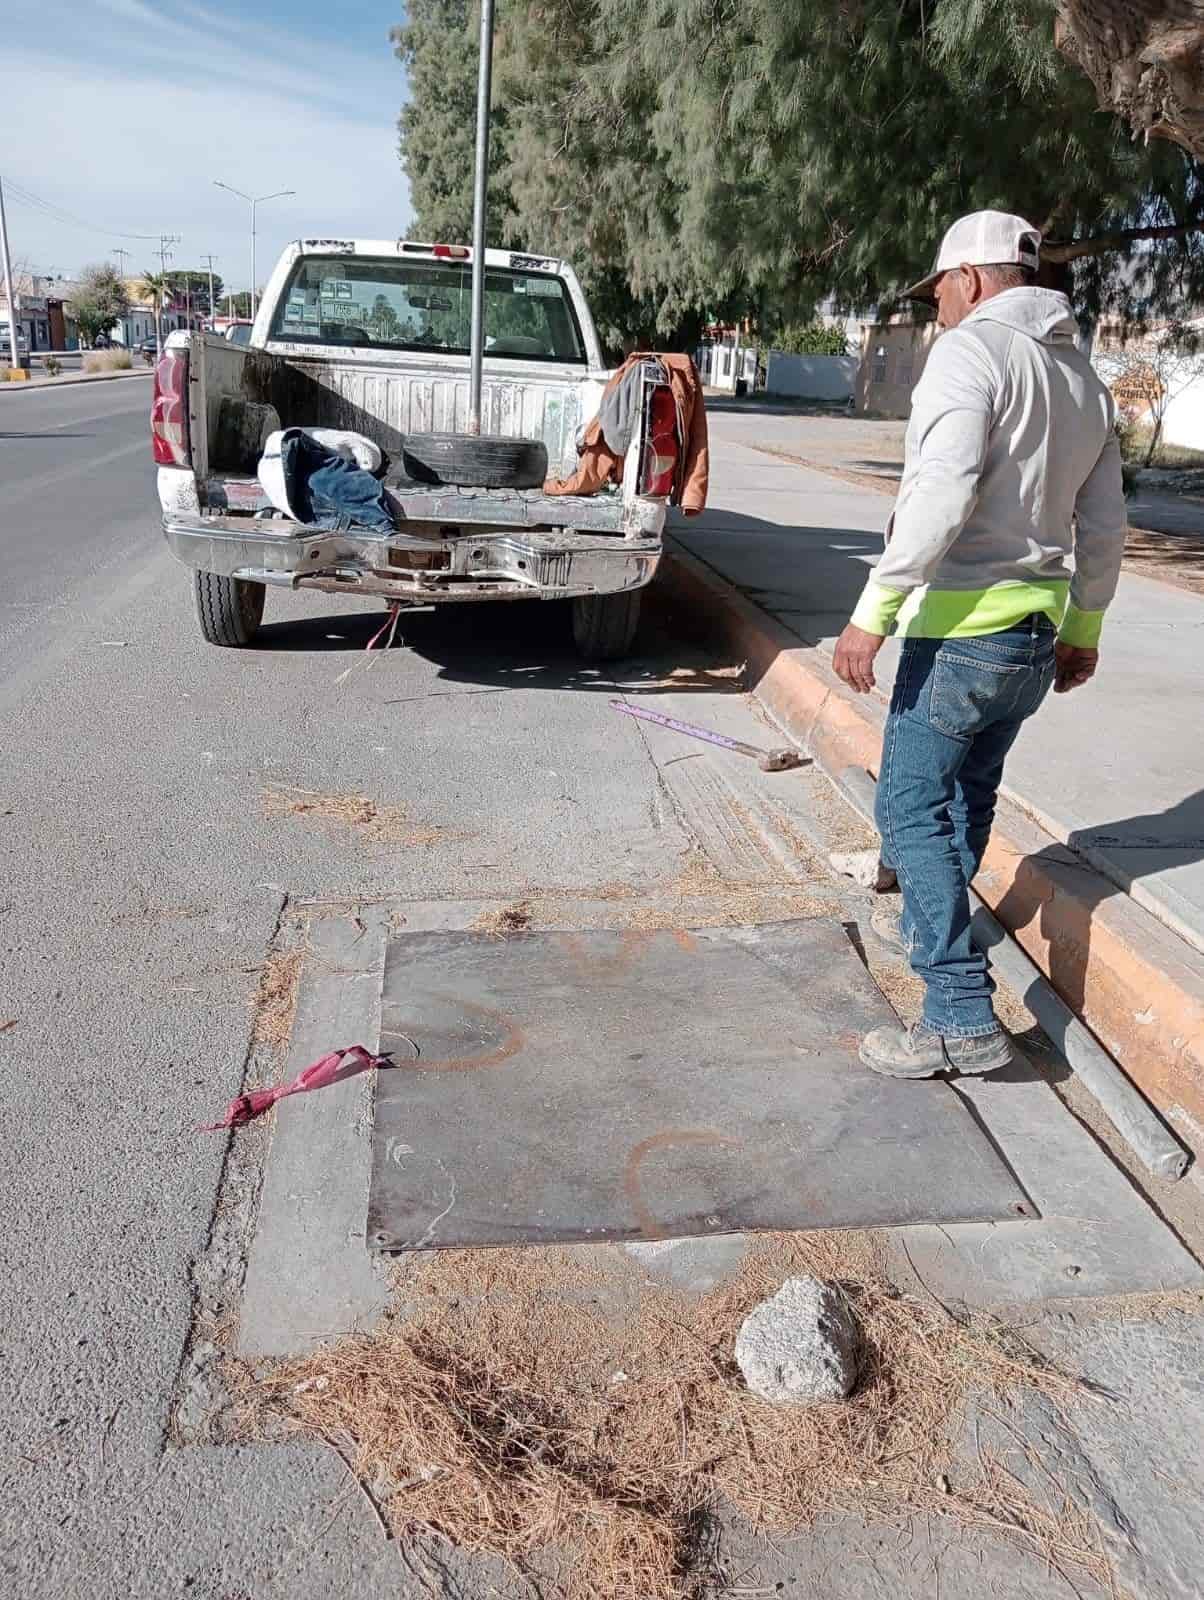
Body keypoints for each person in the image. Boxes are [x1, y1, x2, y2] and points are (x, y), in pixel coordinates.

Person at [832, 210, 1127, 1079]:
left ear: (968, 279)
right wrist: (1083, 628)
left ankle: (958, 1014)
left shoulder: (968, 354)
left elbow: (941, 487)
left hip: (962, 630)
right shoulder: (1082, 376)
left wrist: (874, 609)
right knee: (966, 799)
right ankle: (932, 925)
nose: (939, 309)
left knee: (907, 810)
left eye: (940, 293)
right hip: (1033, 639)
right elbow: (1104, 524)